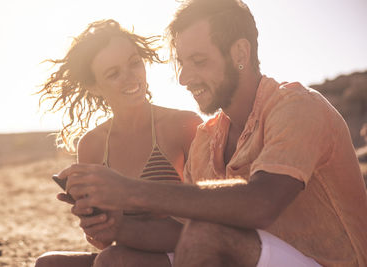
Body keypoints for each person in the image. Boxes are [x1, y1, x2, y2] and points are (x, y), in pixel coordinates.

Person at [58, 0, 367, 266]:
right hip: (256, 257)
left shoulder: (296, 107)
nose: (184, 78)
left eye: (199, 61)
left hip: (331, 262)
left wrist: (128, 190)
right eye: (181, 62)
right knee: (118, 261)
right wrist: (116, 227)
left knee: (208, 235)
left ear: (240, 53)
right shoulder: (208, 138)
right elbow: (180, 231)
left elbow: (260, 203)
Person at [34, 19, 202, 267]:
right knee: (48, 263)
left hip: (185, 252)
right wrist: (93, 223)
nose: (130, 77)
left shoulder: (184, 125)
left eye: (134, 63)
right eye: (113, 74)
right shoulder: (92, 145)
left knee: (113, 261)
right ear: (94, 87)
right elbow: (103, 244)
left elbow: (209, 217)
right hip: (125, 255)